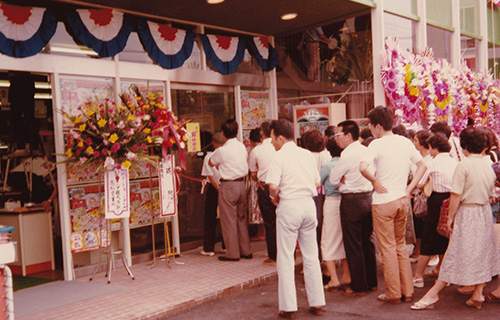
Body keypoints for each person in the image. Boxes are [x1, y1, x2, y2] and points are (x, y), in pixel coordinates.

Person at [411, 127, 500, 310]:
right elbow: (491, 192)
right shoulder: (487, 165)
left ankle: (433, 294)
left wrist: (450, 218)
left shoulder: (463, 165)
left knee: (455, 254)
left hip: (467, 213)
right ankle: (477, 293)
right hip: (483, 212)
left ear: (465, 145)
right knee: (481, 252)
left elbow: (456, 194)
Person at [360, 106, 427, 304]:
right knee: (400, 246)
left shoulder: (375, 145)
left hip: (383, 202)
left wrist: (374, 181)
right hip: (401, 199)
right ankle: (407, 291)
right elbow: (423, 165)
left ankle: (393, 293)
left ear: (378, 126)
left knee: (387, 248)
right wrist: (409, 188)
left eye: (371, 125)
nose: (370, 129)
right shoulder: (405, 142)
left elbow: (362, 167)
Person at [266, 119, 325, 318]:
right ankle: (317, 302)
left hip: (289, 205)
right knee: (311, 255)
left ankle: (288, 306)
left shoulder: (278, 156)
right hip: (309, 205)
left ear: (280, 138)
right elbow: (317, 182)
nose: (271, 142)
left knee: (286, 256)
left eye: (272, 138)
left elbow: (273, 186)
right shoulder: (307, 155)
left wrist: (275, 198)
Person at [330, 120, 377, 296]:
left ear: (348, 136)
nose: (336, 139)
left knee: (353, 244)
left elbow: (334, 179)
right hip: (368, 197)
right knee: (367, 241)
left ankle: (359, 286)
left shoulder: (347, 154)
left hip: (351, 201)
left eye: (338, 135)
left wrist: (344, 178)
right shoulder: (367, 150)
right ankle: (371, 282)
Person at [412, 133, 457, 288]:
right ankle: (444, 274)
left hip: (437, 201)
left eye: (430, 147)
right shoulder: (454, 162)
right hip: (452, 201)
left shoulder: (432, 163)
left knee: (429, 238)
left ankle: (418, 276)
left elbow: (420, 183)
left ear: (435, 148)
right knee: (446, 237)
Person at [209, 119, 252, 262]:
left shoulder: (222, 150)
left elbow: (211, 162)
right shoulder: (241, 147)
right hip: (242, 185)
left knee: (228, 219)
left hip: (228, 185)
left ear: (222, 133)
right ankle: (245, 250)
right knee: (241, 218)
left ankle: (232, 253)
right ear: (237, 132)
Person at [320, 136, 350, 291]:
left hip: (331, 202)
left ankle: (334, 278)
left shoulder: (328, 166)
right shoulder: (346, 162)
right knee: (344, 238)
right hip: (346, 201)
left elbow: (317, 182)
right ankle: (346, 274)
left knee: (328, 239)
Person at [248, 121, 277, 265]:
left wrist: (259, 176)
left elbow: (253, 173)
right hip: (282, 187)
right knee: (284, 222)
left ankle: (273, 256)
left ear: (261, 134)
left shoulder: (256, 151)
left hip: (265, 187)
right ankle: (287, 254)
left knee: (270, 224)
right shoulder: (280, 148)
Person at [301, 129, 331, 261]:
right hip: (326, 194)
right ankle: (324, 258)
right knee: (323, 227)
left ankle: (313, 259)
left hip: (310, 194)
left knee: (311, 228)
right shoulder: (327, 155)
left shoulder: (305, 156)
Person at [200, 132, 226, 256]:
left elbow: (209, 176)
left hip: (213, 189)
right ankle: (226, 245)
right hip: (227, 186)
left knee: (210, 217)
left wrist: (217, 189)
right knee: (227, 217)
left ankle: (209, 248)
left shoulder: (208, 157)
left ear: (214, 143)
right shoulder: (228, 154)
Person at [409, 130, 432, 262]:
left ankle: (420, 250)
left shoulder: (428, 161)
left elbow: (424, 182)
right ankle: (417, 249)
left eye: (416, 140)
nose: (414, 143)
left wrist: (413, 185)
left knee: (421, 225)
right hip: (415, 194)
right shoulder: (417, 159)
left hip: (421, 196)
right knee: (417, 225)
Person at [247, 128, 265, 241]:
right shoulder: (268, 148)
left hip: (257, 181)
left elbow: (251, 170)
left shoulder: (255, 151)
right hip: (266, 181)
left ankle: (261, 233)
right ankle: (262, 233)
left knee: (258, 207)